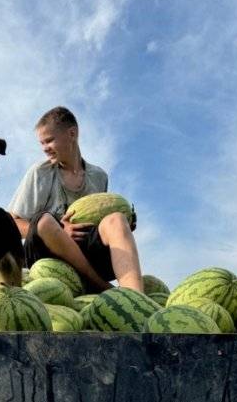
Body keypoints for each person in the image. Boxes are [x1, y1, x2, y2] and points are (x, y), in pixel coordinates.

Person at [8, 106, 143, 292]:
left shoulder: (98, 176)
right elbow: (12, 222)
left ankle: (136, 298)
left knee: (116, 220)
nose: (45, 149)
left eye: (49, 141)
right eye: (42, 143)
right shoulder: (40, 173)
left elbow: (99, 224)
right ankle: (100, 287)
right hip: (47, 256)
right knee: (45, 220)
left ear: (72, 134)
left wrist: (125, 225)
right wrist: (61, 230)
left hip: (86, 253)